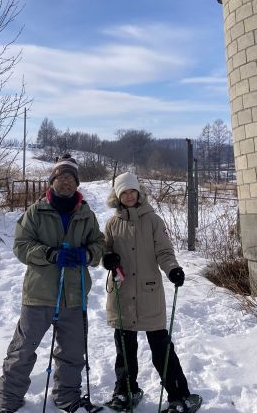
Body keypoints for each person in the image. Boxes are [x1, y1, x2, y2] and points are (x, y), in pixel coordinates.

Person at [0, 154, 105, 413]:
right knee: (22, 350)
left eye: (71, 178)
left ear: (77, 183)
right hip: (39, 294)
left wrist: (87, 254)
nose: (66, 182)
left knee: (73, 352)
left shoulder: (86, 214)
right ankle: (8, 402)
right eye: (61, 177)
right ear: (52, 181)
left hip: (74, 295)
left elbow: (99, 243)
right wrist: (49, 254)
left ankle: (67, 397)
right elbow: (21, 246)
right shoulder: (36, 212)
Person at [102, 171, 202, 413]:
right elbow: (104, 250)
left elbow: (164, 252)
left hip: (148, 293)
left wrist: (173, 269)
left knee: (161, 348)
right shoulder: (112, 223)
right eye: (124, 192)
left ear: (139, 193)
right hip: (122, 294)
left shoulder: (154, 221)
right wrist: (108, 258)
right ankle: (126, 391)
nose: (129, 196)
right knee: (124, 350)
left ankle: (180, 396)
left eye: (132, 191)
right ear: (117, 196)